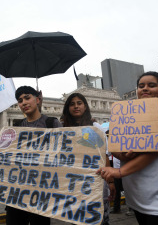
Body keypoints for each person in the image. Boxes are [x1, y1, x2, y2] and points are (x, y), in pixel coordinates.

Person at [97, 71, 158, 225]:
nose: (145, 88)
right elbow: (116, 147)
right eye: (141, 86)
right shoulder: (130, 118)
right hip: (140, 200)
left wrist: (119, 171)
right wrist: (123, 153)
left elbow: (156, 148)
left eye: (152, 85)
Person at [0, 86, 62, 225]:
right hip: (16, 192)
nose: (23, 103)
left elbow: (64, 153)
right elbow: (7, 154)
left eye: (27, 98)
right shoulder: (16, 126)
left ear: (37, 99)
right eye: (20, 101)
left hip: (41, 192)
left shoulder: (52, 123)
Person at [62, 92, 114, 225]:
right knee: (77, 220)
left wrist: (111, 182)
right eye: (72, 104)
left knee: (100, 219)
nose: (76, 106)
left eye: (79, 103)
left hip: (95, 181)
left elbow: (104, 155)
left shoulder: (95, 127)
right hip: (73, 183)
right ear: (68, 108)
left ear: (85, 106)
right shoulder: (63, 130)